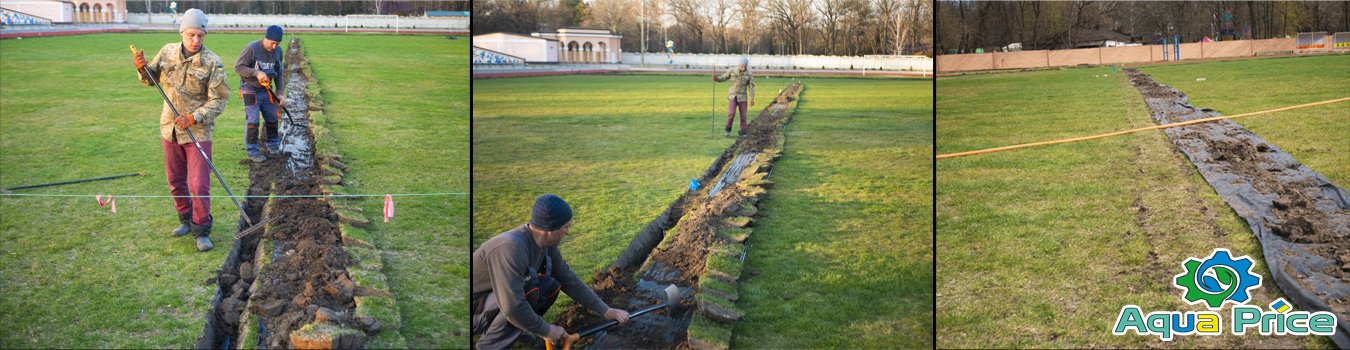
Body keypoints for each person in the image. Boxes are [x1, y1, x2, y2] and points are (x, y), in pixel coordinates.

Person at [471, 194, 631, 350]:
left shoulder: (547, 247)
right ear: (550, 229)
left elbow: (569, 280)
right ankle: (489, 345)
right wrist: (546, 330)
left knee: (550, 286)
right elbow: (512, 306)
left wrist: (606, 310)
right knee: (523, 296)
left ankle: (512, 332)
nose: (568, 232)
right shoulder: (511, 248)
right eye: (565, 227)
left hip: (494, 299)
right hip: (473, 306)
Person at [132, 8, 230, 251]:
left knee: (199, 184)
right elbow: (149, 79)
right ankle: (184, 220)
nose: (195, 40)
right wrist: (141, 67)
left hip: (198, 131)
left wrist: (194, 117)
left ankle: (201, 229)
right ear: (182, 32)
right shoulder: (167, 51)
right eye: (191, 35)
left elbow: (218, 100)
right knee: (175, 180)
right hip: (170, 128)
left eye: (200, 36)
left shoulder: (212, 62)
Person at [235, 25, 286, 163]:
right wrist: (256, 73)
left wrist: (280, 92)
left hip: (266, 89)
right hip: (249, 88)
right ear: (266, 38)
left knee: (272, 118)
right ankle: (252, 152)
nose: (274, 46)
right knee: (253, 120)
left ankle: (273, 146)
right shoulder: (252, 48)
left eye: (277, 44)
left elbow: (279, 73)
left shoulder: (278, 51)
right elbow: (238, 67)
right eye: (272, 43)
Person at [713, 57, 756, 137]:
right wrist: (717, 79)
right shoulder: (732, 70)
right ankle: (727, 130)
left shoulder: (749, 74)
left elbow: (751, 86)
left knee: (743, 116)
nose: (743, 68)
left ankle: (743, 132)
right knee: (731, 113)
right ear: (739, 65)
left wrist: (752, 98)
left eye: (745, 67)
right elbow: (724, 77)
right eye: (742, 66)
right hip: (732, 96)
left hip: (742, 97)